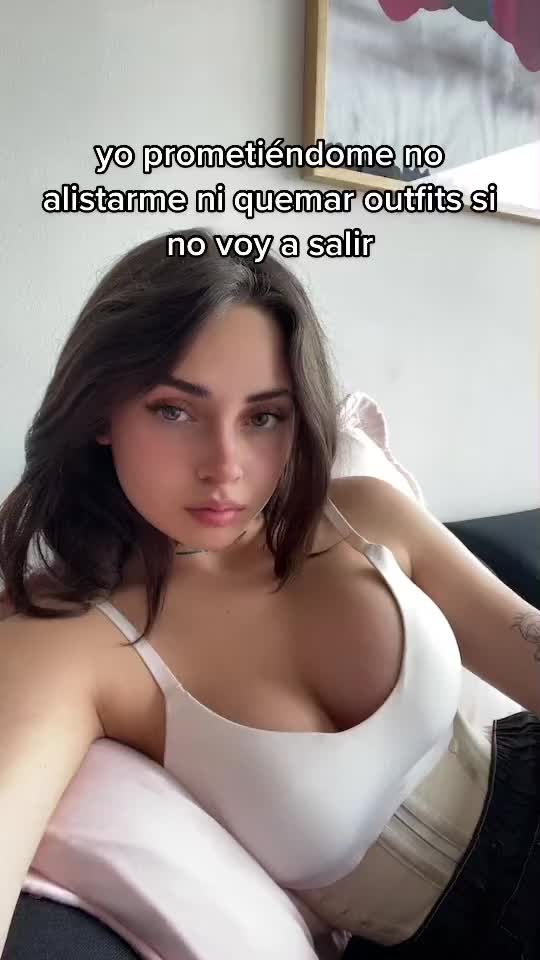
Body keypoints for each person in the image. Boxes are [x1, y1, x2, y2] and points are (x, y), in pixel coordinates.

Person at [0, 226, 539, 959]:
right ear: (100, 412)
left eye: (263, 417)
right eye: (174, 410)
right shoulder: (67, 646)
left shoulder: (359, 515)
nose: (225, 466)